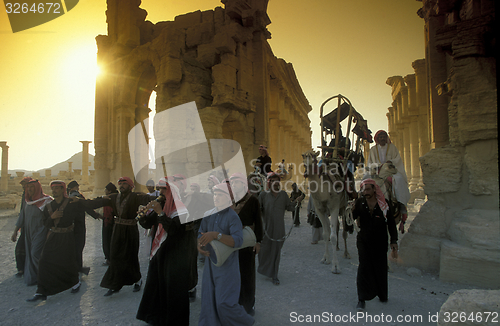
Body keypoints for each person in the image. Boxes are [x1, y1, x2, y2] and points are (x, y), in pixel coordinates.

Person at [78, 176, 151, 296]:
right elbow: (95, 203)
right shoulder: (113, 197)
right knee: (115, 256)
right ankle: (114, 284)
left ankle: (137, 280)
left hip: (130, 230)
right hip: (117, 230)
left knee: (130, 256)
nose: (121, 185)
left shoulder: (136, 197)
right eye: (120, 183)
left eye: (124, 183)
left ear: (130, 186)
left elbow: (150, 199)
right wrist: (79, 201)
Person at [136, 177, 194, 325]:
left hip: (176, 253)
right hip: (161, 251)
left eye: (164, 189)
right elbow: (149, 224)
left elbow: (174, 230)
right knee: (157, 283)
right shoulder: (163, 203)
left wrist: (160, 213)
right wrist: (143, 215)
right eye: (160, 188)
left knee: (173, 288)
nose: (160, 192)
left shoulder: (183, 206)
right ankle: (155, 317)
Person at [197, 182, 254, 326]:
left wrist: (216, 235)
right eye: (215, 194)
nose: (216, 197)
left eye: (220, 195)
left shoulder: (233, 217)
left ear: (229, 198)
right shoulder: (208, 214)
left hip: (227, 266)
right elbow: (200, 233)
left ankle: (245, 322)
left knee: (225, 302)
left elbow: (238, 241)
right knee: (209, 299)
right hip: (211, 264)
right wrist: (199, 245)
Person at [26, 180, 86, 302]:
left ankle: (75, 283)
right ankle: (41, 291)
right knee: (44, 261)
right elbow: (45, 223)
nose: (54, 191)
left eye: (57, 188)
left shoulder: (71, 203)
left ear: (63, 190)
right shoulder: (49, 206)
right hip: (54, 236)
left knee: (68, 262)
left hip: (68, 236)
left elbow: (83, 215)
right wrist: (52, 217)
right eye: (53, 189)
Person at [353, 179, 398, 311]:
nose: (365, 192)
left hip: (380, 241)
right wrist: (351, 209)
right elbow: (353, 216)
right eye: (363, 190)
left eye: (368, 189)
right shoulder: (360, 202)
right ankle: (361, 298)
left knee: (380, 268)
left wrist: (393, 241)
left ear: (374, 189)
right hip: (364, 240)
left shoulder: (384, 204)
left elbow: (390, 223)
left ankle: (382, 294)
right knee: (363, 267)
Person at [257, 172, 303, 285]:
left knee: (276, 251)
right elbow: (257, 210)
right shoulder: (263, 195)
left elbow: (290, 207)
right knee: (264, 250)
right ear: (269, 182)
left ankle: (274, 275)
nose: (275, 183)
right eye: (272, 181)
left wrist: (297, 201)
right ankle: (265, 269)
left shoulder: (283, 195)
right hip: (266, 229)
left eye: (277, 181)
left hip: (279, 229)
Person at [229, 172, 263, 316]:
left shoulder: (253, 200)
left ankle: (248, 306)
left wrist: (258, 242)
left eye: (236, 182)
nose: (234, 185)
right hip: (230, 243)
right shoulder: (228, 201)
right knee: (231, 275)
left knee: (247, 275)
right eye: (232, 183)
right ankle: (233, 304)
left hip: (247, 242)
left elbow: (258, 223)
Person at [15, 179, 52, 286]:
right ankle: (34, 277)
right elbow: (22, 216)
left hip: (41, 231)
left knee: (35, 253)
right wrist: (15, 231)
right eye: (28, 187)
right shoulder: (27, 201)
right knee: (30, 256)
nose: (29, 189)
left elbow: (52, 218)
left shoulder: (46, 201)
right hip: (28, 232)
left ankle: (45, 276)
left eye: (32, 187)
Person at [67, 180, 102, 276]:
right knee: (79, 246)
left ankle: (74, 267)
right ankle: (77, 268)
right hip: (79, 224)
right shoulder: (78, 196)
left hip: (70, 225)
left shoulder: (67, 196)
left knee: (72, 247)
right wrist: (96, 215)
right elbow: (87, 206)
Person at [367, 130, 410, 206]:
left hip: (390, 171)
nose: (382, 138)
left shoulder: (392, 148)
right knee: (365, 180)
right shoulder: (373, 150)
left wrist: (391, 161)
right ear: (377, 139)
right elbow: (370, 162)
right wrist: (376, 166)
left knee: (399, 179)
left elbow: (397, 159)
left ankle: (401, 202)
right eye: (380, 137)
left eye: (384, 137)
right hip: (377, 171)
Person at [11, 176, 33, 278]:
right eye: (23, 186)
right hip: (25, 227)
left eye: (25, 185)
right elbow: (22, 213)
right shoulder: (25, 195)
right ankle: (21, 269)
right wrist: (16, 229)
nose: (23, 187)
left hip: (34, 227)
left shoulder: (34, 196)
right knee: (20, 248)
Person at [101, 182, 118, 266]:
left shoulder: (109, 199)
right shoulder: (117, 197)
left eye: (106, 189)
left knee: (107, 241)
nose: (104, 191)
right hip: (114, 222)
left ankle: (109, 259)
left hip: (108, 222)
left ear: (109, 191)